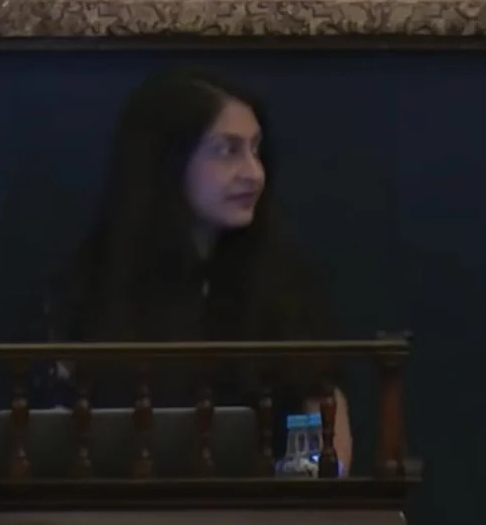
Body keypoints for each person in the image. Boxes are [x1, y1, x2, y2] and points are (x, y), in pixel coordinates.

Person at [32, 68, 353, 472]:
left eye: (256, 149)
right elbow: (53, 443)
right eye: (227, 151)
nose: (253, 173)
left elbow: (323, 413)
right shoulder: (86, 292)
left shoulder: (281, 285)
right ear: (167, 163)